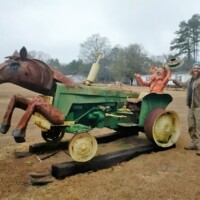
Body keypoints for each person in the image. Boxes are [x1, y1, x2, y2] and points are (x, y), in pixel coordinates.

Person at [173, 62, 200, 155]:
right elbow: (182, 85)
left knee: (199, 127)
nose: (196, 69)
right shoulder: (190, 80)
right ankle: (194, 144)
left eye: (198, 68)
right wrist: (174, 80)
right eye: (194, 68)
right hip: (191, 107)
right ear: (192, 69)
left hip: (199, 107)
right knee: (191, 126)